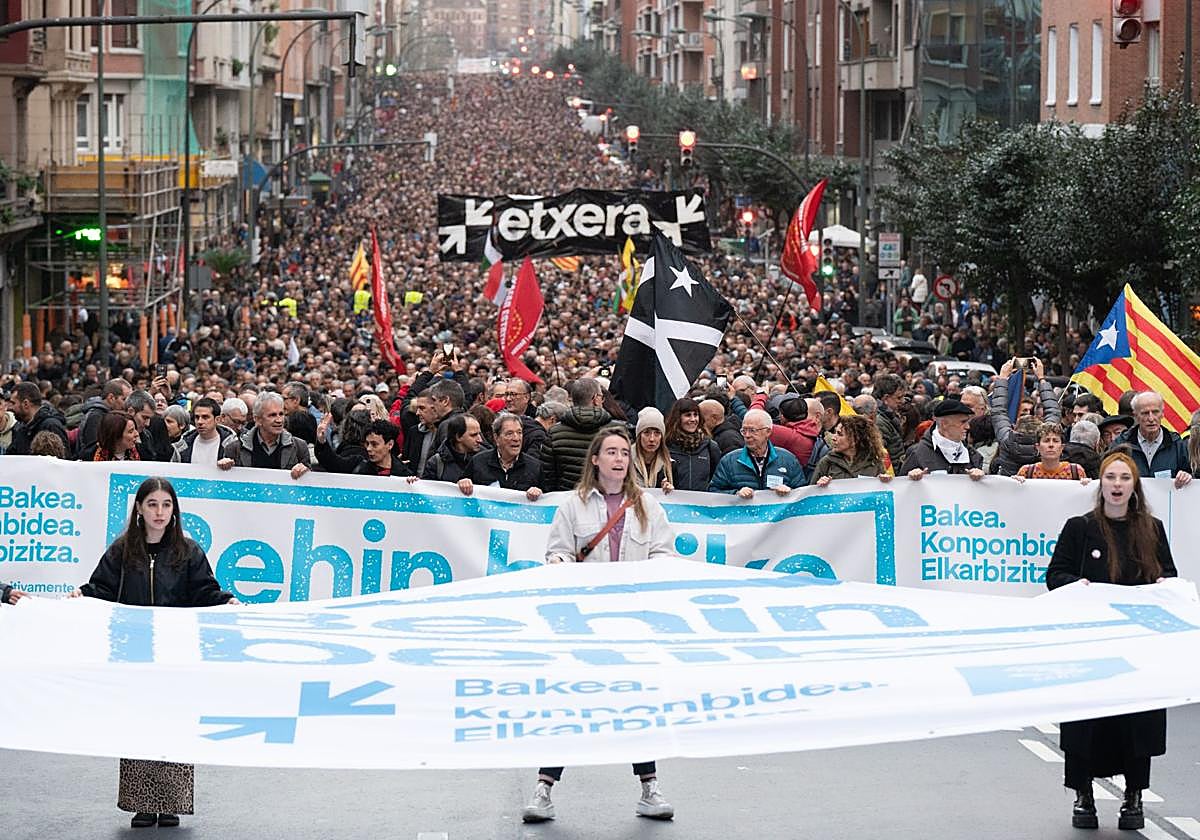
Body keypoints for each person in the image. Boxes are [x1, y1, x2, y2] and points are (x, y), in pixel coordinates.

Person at [523, 429, 675, 823]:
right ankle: (544, 789)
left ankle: (649, 788)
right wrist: (560, 566)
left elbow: (663, 553)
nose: (620, 458)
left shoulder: (647, 506)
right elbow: (556, 551)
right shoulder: (573, 506)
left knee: (637, 702)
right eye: (611, 452)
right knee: (570, 701)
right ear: (595, 459)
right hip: (585, 620)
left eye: (624, 452)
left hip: (632, 618)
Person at [72, 477, 237, 829]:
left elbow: (205, 591)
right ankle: (141, 802)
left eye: (166, 505)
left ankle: (171, 802)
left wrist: (227, 601)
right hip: (134, 652)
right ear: (139, 509)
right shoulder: (121, 551)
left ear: (174, 510)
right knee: (138, 721)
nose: (159, 512)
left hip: (177, 652)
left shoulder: (188, 551)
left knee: (173, 721)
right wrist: (82, 596)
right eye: (152, 504)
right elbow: (100, 588)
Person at [1045, 451, 1176, 831]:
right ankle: (1084, 795)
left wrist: (1164, 585)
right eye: (1110, 477)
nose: (1117, 485)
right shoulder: (1079, 528)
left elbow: (1167, 572)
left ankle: (1134, 795)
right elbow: (1056, 574)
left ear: (1134, 486)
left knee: (1138, 720)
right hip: (1089, 641)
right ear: (1100, 483)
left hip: (1137, 642)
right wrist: (1076, 584)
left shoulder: (1151, 528)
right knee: (1087, 720)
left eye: (1124, 478)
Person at [540, 378, 625, 491]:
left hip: (566, 500)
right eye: (601, 397)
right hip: (607, 499)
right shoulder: (617, 430)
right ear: (595, 399)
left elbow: (547, 475)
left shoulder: (554, 432)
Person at [709, 409, 805, 497]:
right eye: (744, 431)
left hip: (777, 515)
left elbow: (802, 494)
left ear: (768, 432)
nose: (747, 435)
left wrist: (790, 491)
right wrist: (736, 493)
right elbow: (713, 492)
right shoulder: (729, 460)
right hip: (742, 515)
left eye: (752, 431)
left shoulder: (788, 459)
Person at [217, 392, 311, 480]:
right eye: (272, 415)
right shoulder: (234, 448)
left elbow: (309, 483)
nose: (279, 420)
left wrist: (305, 471)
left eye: (281, 414)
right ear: (258, 419)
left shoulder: (299, 447)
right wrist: (223, 467)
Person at [1108, 391, 1192, 488]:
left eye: (1155, 412)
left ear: (1162, 414)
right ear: (1135, 416)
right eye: (1145, 413)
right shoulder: (1120, 444)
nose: (1151, 418)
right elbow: (1107, 476)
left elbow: (1192, 477)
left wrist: (1186, 476)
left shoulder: (1177, 445)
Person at [457, 412, 542, 499]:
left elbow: (548, 499)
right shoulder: (478, 462)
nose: (516, 438)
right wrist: (463, 482)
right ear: (496, 437)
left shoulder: (534, 466)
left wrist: (539, 492)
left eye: (519, 432)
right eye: (509, 433)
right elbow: (460, 492)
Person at [902, 399, 984, 480]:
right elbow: (900, 487)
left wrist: (980, 478)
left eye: (968, 422)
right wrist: (911, 477)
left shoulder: (973, 455)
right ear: (944, 424)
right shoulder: (917, 453)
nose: (968, 427)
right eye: (963, 422)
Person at [810, 414, 892, 486]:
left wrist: (885, 483)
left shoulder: (875, 463)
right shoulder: (827, 462)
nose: (834, 438)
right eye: (835, 433)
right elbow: (811, 494)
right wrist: (820, 486)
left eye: (839, 434)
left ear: (855, 440)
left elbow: (883, 496)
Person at [664, 397, 722, 491]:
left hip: (702, 504)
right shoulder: (666, 446)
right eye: (688, 415)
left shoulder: (710, 447)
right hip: (672, 503)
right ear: (677, 418)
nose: (693, 419)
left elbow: (717, 480)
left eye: (696, 415)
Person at [1014, 422, 1090, 483]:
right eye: (1046, 440)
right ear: (1038, 447)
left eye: (1055, 441)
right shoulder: (1026, 472)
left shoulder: (1076, 471)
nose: (1051, 445)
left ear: (1062, 447)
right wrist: (1014, 484)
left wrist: (1086, 485)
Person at [6, 381, 68, 455]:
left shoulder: (51, 426)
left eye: (13, 403)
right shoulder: (22, 428)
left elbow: (62, 461)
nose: (9, 408)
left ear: (26, 404)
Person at [421, 413, 483, 482]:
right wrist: (413, 484)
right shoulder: (437, 463)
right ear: (458, 437)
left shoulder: (485, 460)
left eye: (479, 434)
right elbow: (426, 488)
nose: (480, 440)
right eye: (473, 435)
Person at [170, 398, 232, 465]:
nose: (200, 422)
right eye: (197, 417)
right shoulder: (182, 447)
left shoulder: (230, 445)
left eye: (205, 417)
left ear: (217, 420)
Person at [632, 407, 673, 491]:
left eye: (657, 433)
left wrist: (669, 490)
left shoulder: (670, 466)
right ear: (639, 435)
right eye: (646, 432)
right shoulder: (626, 462)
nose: (652, 439)